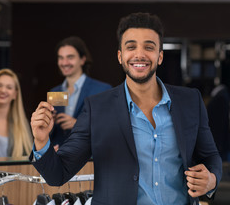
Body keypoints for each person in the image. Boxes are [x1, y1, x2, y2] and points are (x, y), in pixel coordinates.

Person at [30, 13, 222, 205]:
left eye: (149, 47)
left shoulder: (190, 100)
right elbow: (58, 174)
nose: (139, 54)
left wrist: (211, 180)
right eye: (131, 47)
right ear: (120, 56)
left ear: (160, 56)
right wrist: (41, 140)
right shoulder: (97, 108)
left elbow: (210, 156)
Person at [50, 36, 112, 148]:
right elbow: (54, 133)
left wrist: (78, 125)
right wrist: (49, 124)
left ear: (82, 59)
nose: (64, 63)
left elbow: (110, 128)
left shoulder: (102, 90)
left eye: (70, 57)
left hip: (90, 159)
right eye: (61, 58)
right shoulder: (55, 92)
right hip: (59, 156)